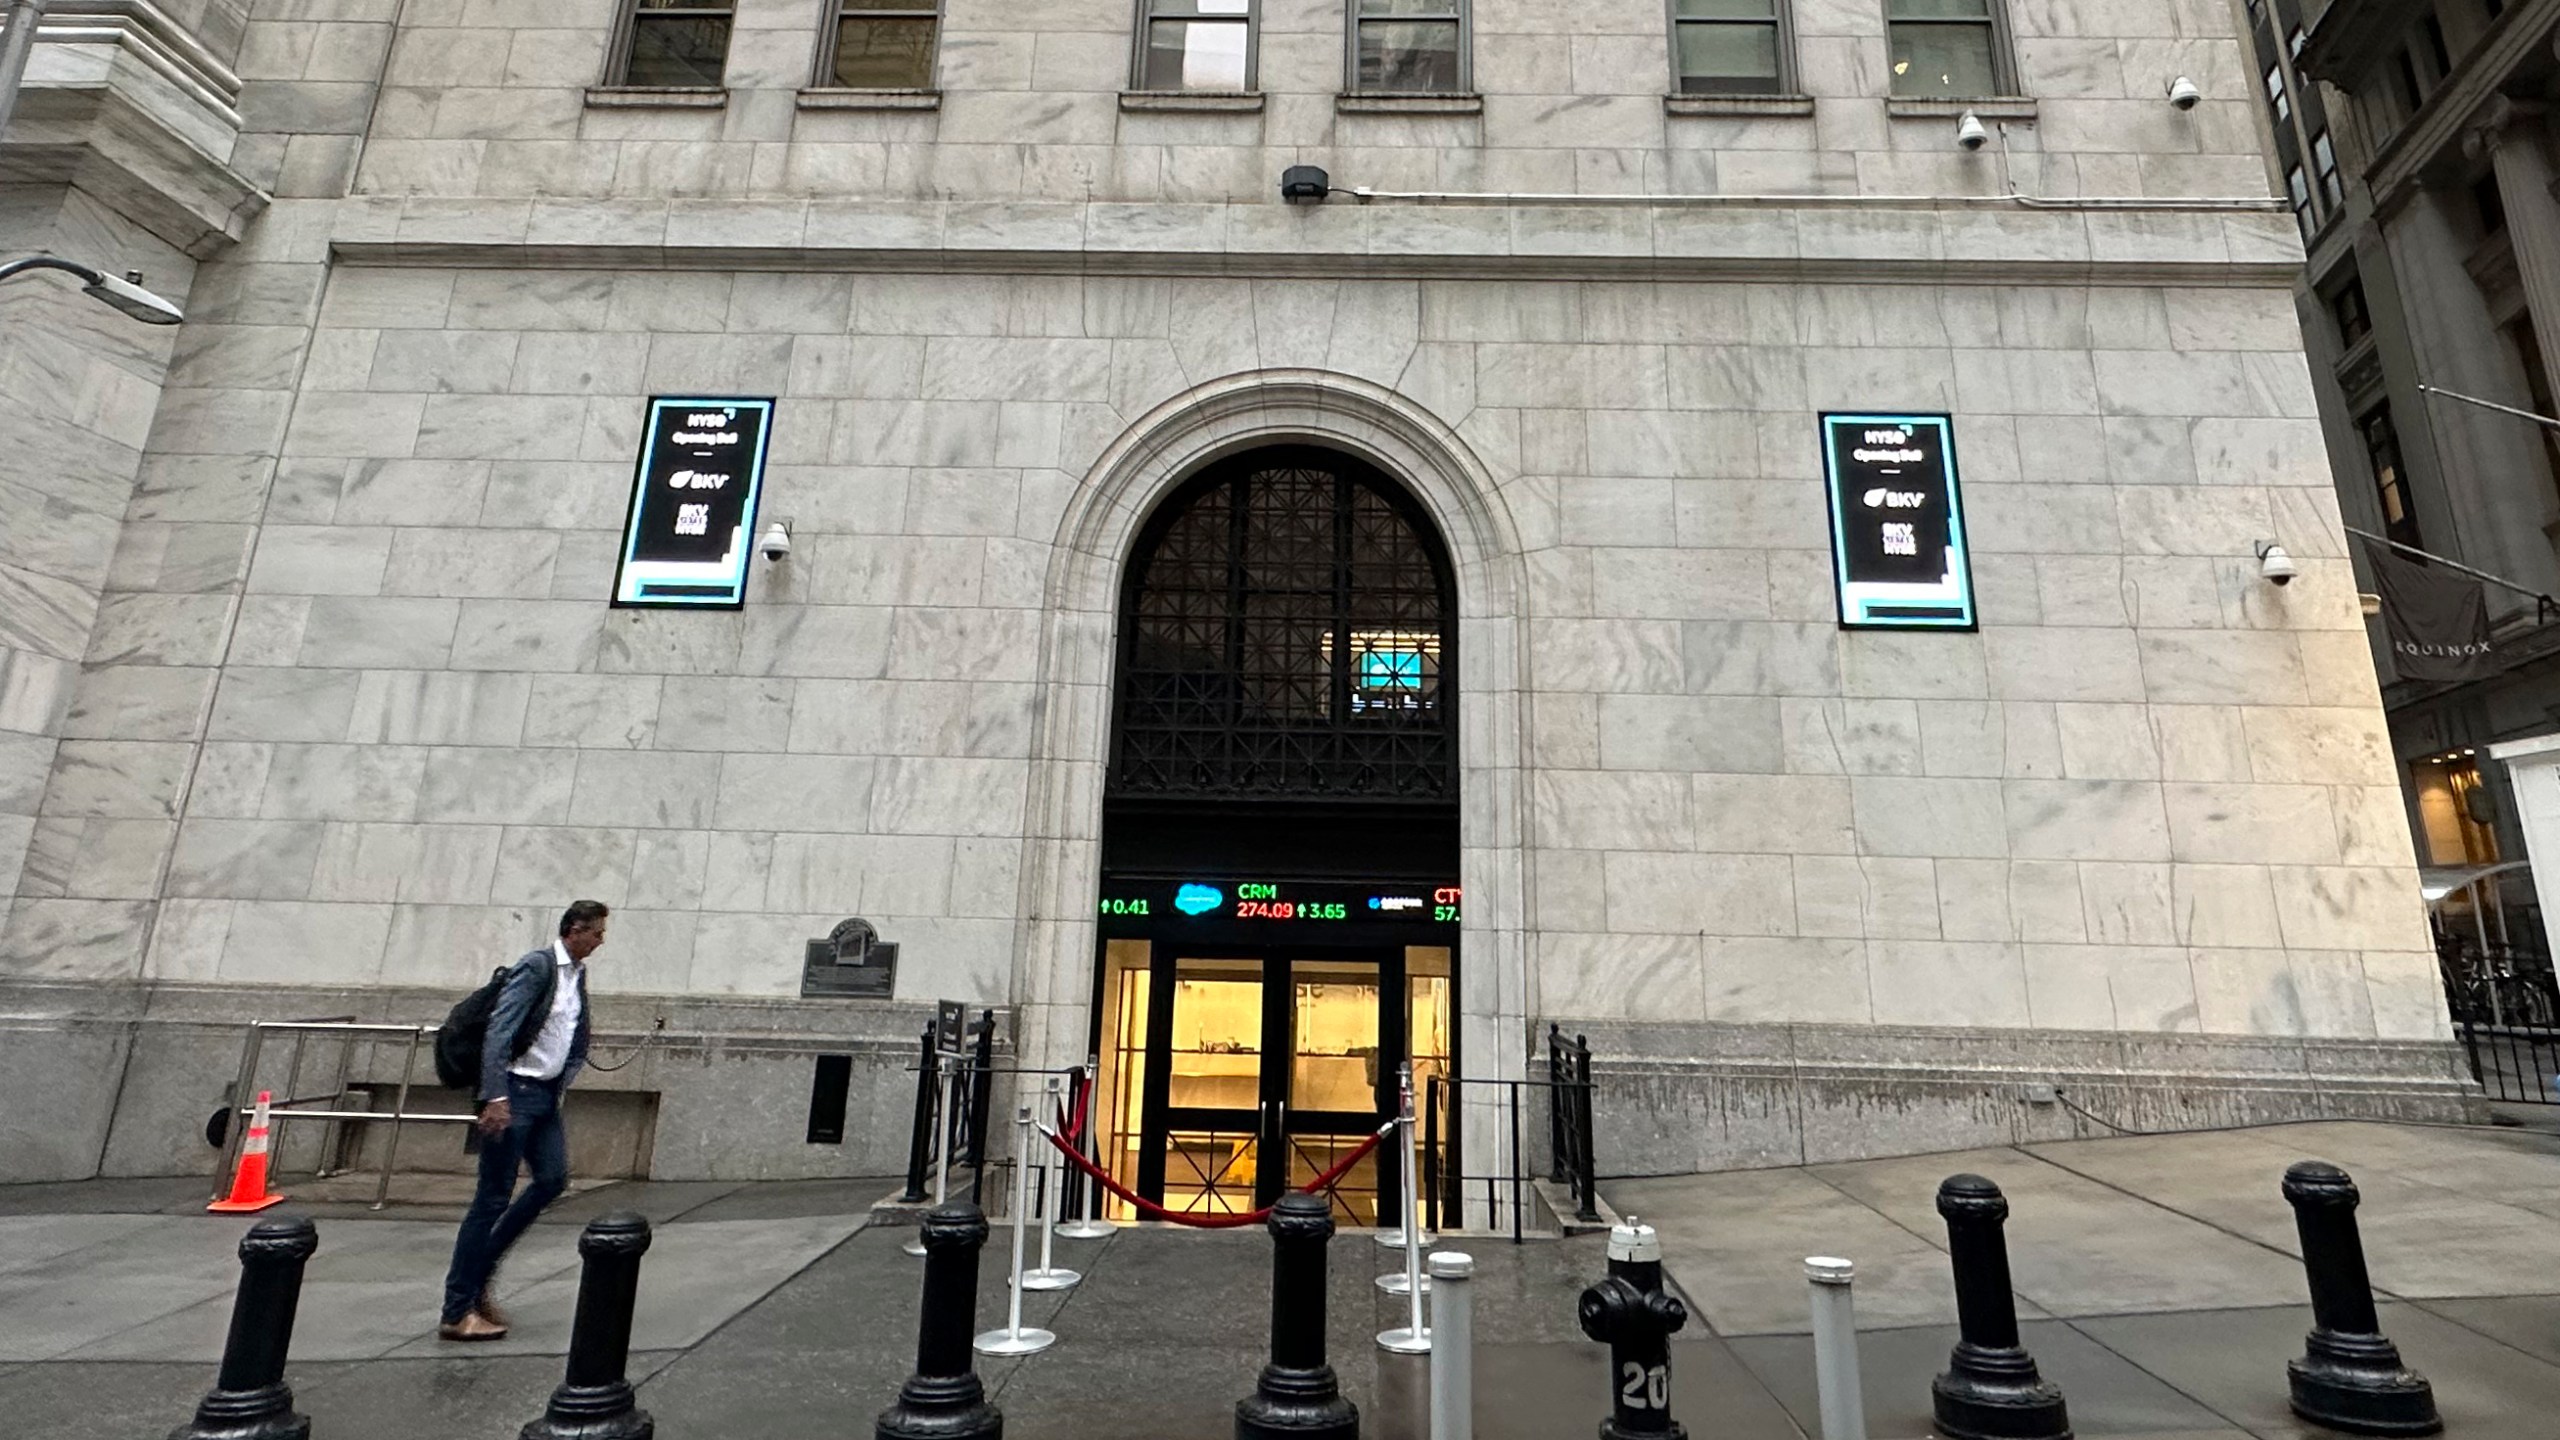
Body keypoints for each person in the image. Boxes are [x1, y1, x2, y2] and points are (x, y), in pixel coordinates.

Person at [438, 899, 605, 1341]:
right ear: (574, 930)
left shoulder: (576, 975)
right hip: (513, 1093)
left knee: (552, 1178)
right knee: (491, 1198)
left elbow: (566, 1032)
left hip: (546, 1096)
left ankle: (480, 1272)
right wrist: (494, 1096)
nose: (600, 941)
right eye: (596, 933)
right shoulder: (537, 967)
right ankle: (458, 1307)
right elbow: (500, 1029)